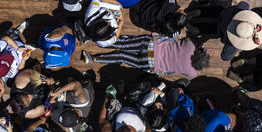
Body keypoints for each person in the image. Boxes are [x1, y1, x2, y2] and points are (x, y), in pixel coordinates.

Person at [82, 34, 210, 79]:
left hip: (151, 46)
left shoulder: (191, 45)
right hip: (150, 64)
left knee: (123, 43)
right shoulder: (192, 72)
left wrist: (205, 50)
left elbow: (194, 38)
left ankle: (94, 37)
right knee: (122, 57)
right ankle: (93, 59)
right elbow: (196, 73)